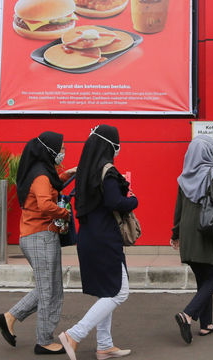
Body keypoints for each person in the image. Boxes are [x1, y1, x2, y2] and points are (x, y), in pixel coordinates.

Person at [58, 125, 137, 360]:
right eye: (116, 145)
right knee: (119, 292)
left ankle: (104, 345)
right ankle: (74, 334)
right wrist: (133, 200)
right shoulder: (108, 171)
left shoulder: (84, 173)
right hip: (105, 239)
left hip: (89, 238)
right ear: (109, 146)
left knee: (107, 291)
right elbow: (115, 202)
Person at [0, 131, 76, 355]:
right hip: (39, 237)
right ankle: (43, 340)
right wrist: (65, 213)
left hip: (41, 236)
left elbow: (55, 183)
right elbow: (45, 205)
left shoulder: (41, 171)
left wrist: (70, 173)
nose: (62, 152)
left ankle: (9, 317)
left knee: (52, 289)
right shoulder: (41, 176)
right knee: (49, 290)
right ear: (49, 151)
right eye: (60, 149)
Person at [170, 136, 213, 343]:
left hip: (189, 234)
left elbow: (178, 209)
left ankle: (206, 324)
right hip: (206, 231)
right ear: (208, 153)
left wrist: (175, 234)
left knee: (203, 278)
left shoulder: (183, 177)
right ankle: (187, 315)